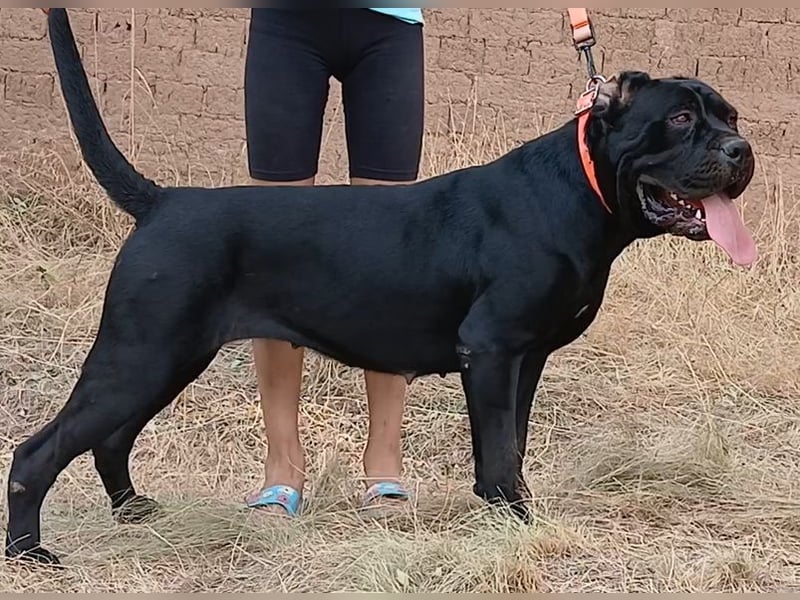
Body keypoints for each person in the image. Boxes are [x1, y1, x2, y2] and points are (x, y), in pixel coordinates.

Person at [242, 8, 425, 516]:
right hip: (287, 23)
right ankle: (282, 467)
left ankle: (385, 464)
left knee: (391, 255)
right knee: (276, 252)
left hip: (390, 23)